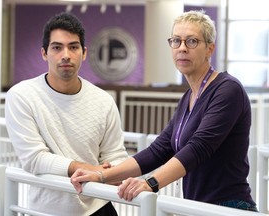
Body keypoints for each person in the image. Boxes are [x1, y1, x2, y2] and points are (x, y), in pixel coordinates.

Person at [71, 10, 258, 212]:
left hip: (227, 208)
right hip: (198, 207)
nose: (182, 48)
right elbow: (159, 149)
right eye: (176, 41)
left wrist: (150, 183)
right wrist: (103, 176)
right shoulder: (189, 97)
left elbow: (199, 147)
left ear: (210, 49)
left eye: (192, 41)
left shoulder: (228, 89)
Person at [5, 12, 128, 216]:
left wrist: (114, 170)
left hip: (98, 206)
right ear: (44, 53)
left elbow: (115, 154)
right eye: (56, 47)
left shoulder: (103, 100)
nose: (65, 55)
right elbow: (34, 159)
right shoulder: (22, 96)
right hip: (48, 209)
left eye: (73, 47)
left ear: (84, 52)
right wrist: (94, 169)